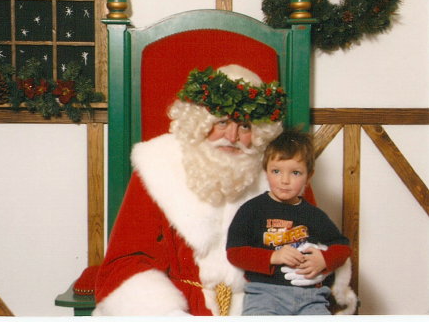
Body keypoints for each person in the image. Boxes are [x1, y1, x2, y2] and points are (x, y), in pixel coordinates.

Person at [92, 65, 341, 316]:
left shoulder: (278, 173)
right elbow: (126, 261)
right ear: (200, 123)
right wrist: (168, 314)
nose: (232, 136)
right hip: (184, 307)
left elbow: (320, 242)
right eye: (222, 122)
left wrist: (313, 266)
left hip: (265, 303)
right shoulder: (158, 167)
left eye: (244, 126)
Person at [226, 130, 356, 315]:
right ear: (266, 172)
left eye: (295, 173)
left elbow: (342, 247)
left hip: (311, 297)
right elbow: (235, 252)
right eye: (276, 171)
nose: (284, 180)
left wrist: (323, 259)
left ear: (308, 177)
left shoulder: (313, 214)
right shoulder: (252, 210)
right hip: (264, 296)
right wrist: (273, 257)